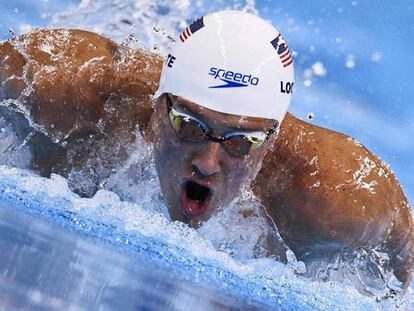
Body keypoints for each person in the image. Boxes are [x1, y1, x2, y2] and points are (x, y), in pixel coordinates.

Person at [0, 11, 412, 295]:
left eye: (240, 143)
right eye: (190, 126)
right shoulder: (65, 87)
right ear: (158, 109)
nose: (207, 162)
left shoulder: (335, 195)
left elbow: (403, 265)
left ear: (268, 143)